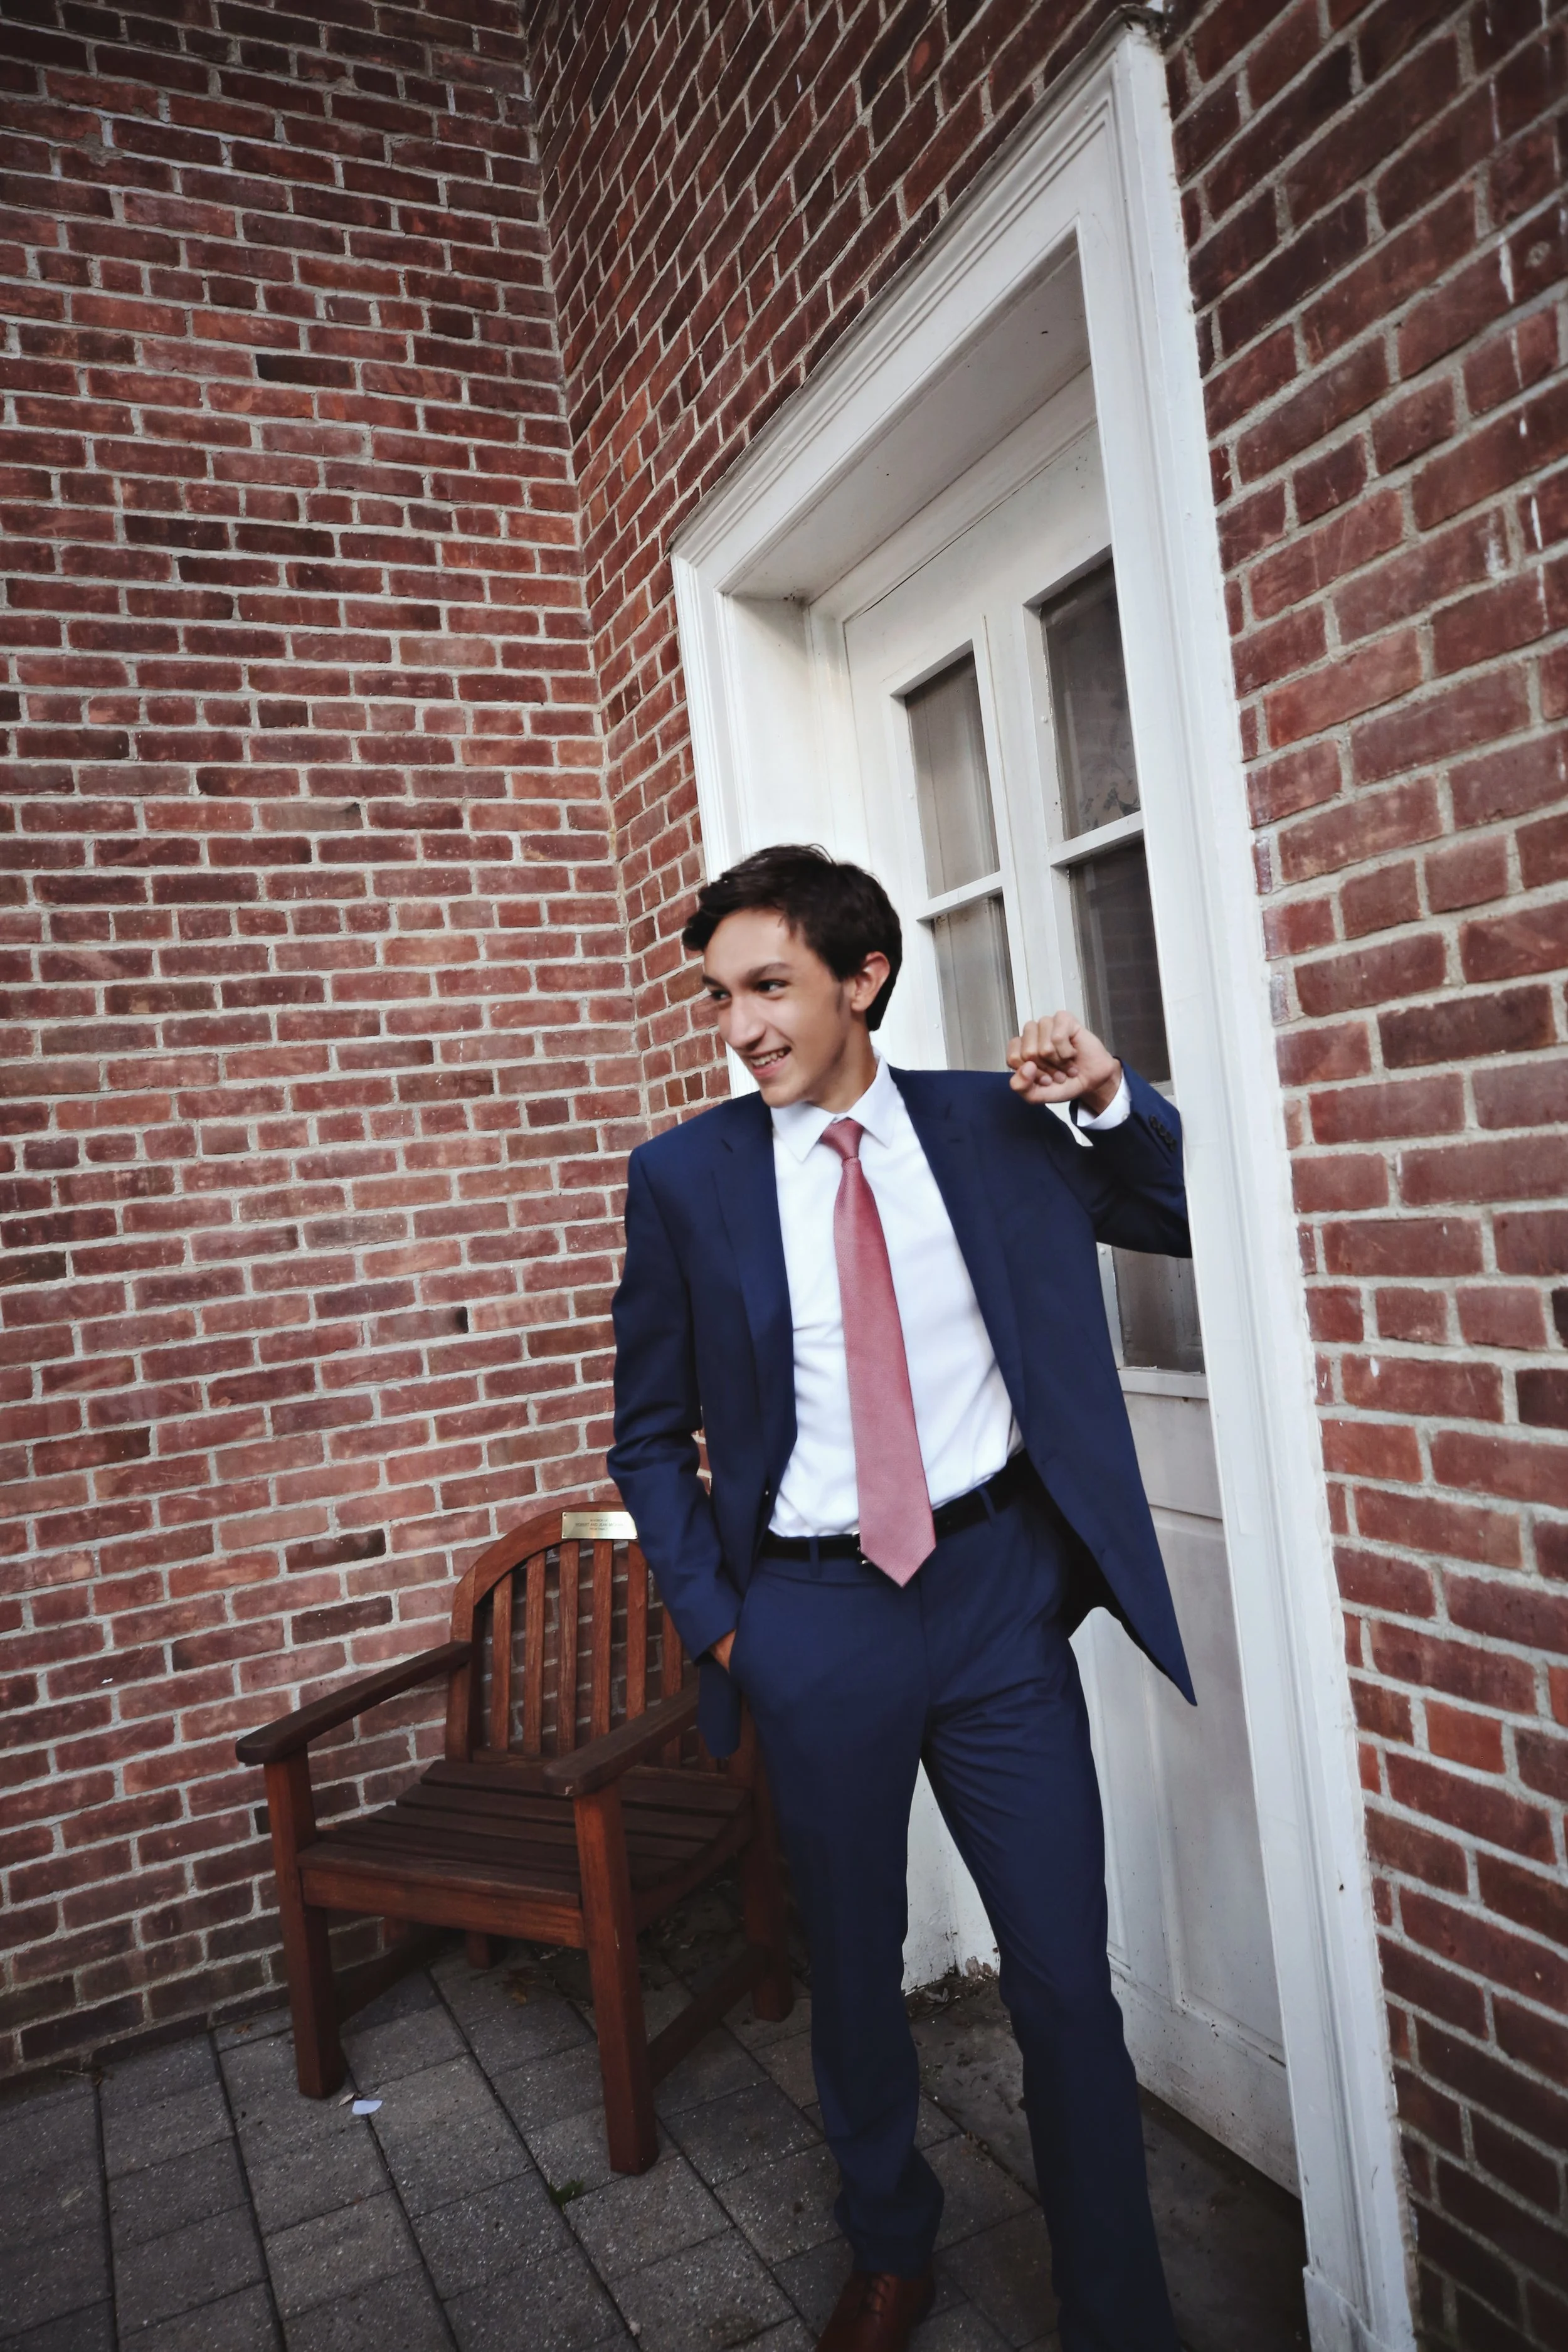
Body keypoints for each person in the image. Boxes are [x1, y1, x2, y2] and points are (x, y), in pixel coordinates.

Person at [608, 844, 1192, 2352]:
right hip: (811, 1617)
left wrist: (1109, 1093)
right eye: (719, 996)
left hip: (995, 1600)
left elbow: (1179, 1206)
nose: (737, 1026)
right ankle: (888, 2244)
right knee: (854, 1970)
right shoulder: (684, 1176)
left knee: (1064, 1981)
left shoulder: (992, 1126)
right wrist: (720, 1621)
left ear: (862, 978)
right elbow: (645, 1428)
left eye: (768, 987)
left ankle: (1116, 2311)